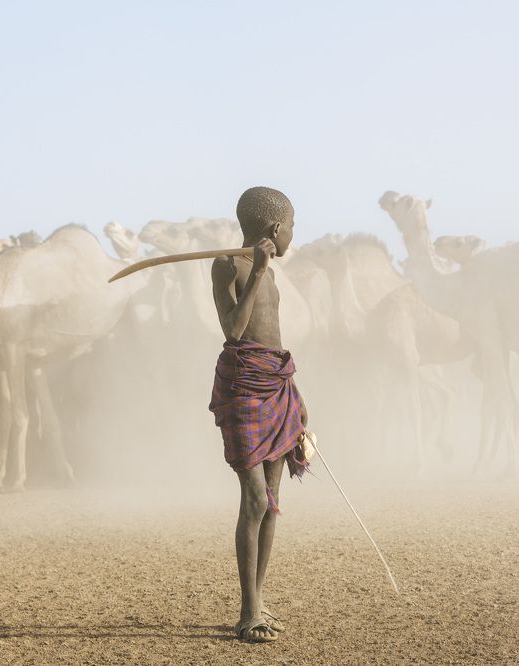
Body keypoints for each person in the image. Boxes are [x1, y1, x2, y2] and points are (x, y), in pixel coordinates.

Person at [209, 186, 310, 644]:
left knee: (270, 501)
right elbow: (233, 329)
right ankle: (248, 612)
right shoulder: (228, 265)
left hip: (275, 383)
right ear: (275, 229)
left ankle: (259, 601)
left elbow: (274, 337)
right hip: (243, 386)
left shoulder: (273, 275)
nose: (292, 235)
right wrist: (257, 271)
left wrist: (296, 397)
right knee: (253, 499)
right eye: (291, 226)